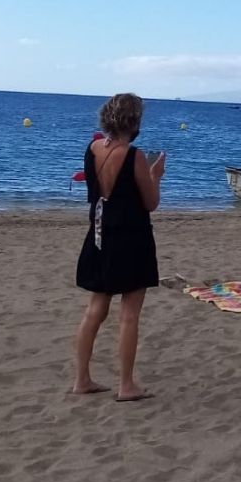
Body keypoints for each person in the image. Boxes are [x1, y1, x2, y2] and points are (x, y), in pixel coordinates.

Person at [73, 94, 164, 402]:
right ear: (133, 121)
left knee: (95, 309)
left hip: (100, 233)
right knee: (129, 314)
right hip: (131, 237)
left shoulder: (93, 148)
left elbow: (97, 191)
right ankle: (126, 385)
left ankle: (81, 379)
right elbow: (150, 202)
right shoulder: (133, 155)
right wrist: (155, 176)